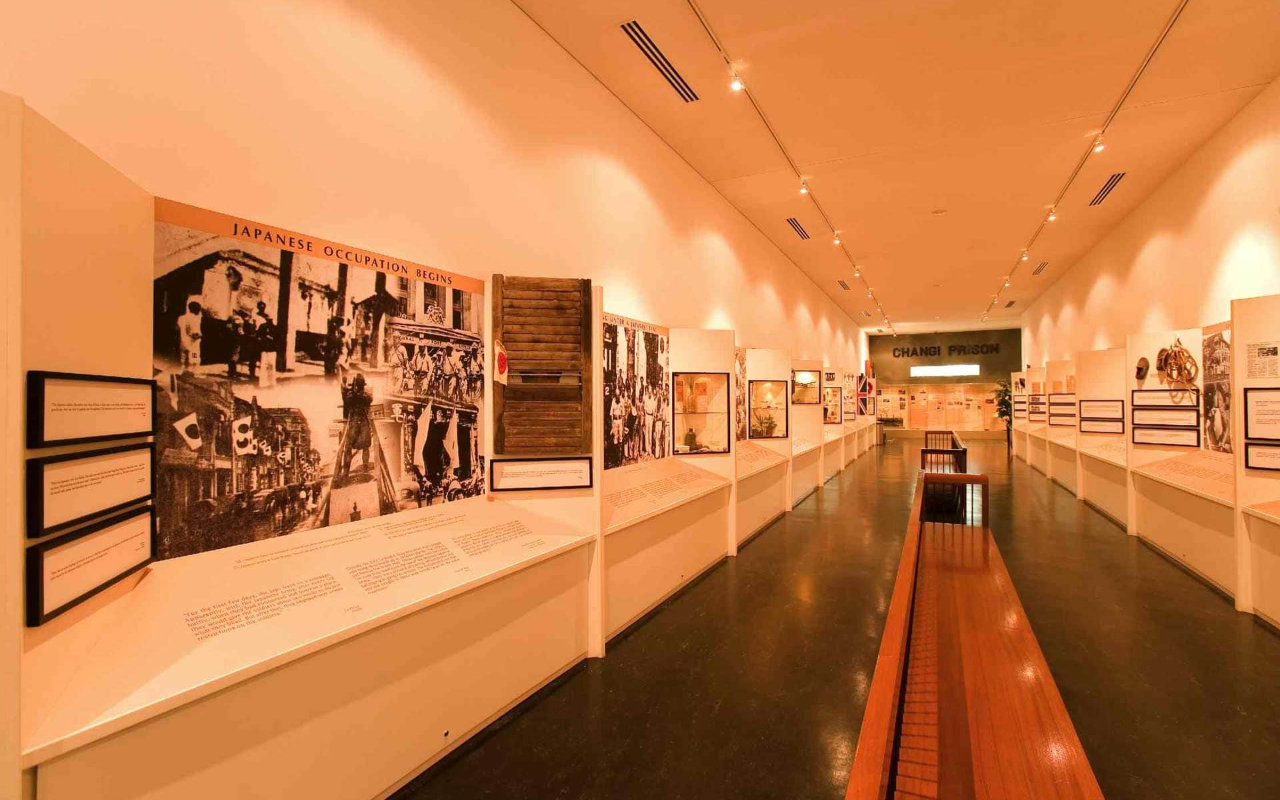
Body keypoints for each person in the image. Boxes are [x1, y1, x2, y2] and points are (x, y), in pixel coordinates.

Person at [339, 373, 373, 476]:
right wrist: (349, 391)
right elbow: (347, 401)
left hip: (360, 422)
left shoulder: (363, 396)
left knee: (364, 445)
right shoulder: (353, 395)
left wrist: (354, 393)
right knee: (349, 446)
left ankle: (363, 468)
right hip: (357, 422)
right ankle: (348, 471)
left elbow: (368, 400)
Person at [178, 301, 203, 370]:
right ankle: (190, 372)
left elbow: (178, 328)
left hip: (183, 342)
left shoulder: (181, 318)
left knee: (183, 359)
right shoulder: (195, 319)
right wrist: (200, 336)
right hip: (193, 344)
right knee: (193, 359)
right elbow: (195, 334)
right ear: (197, 310)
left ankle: (182, 371)